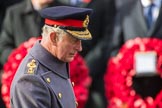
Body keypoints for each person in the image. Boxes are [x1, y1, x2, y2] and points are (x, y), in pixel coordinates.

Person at [10, 6, 93, 108]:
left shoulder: (56, 60)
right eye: (74, 40)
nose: (80, 48)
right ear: (53, 38)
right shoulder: (31, 80)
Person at [0, 0, 64, 66]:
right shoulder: (14, 13)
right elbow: (4, 47)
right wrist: (19, 58)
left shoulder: (64, 12)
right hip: (21, 69)